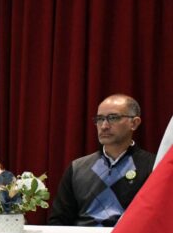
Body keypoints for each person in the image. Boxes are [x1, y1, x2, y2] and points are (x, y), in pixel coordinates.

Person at [48, 94, 155, 226]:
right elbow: (58, 221)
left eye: (113, 118)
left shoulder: (153, 166)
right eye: (100, 119)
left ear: (134, 123)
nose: (104, 126)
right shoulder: (77, 168)